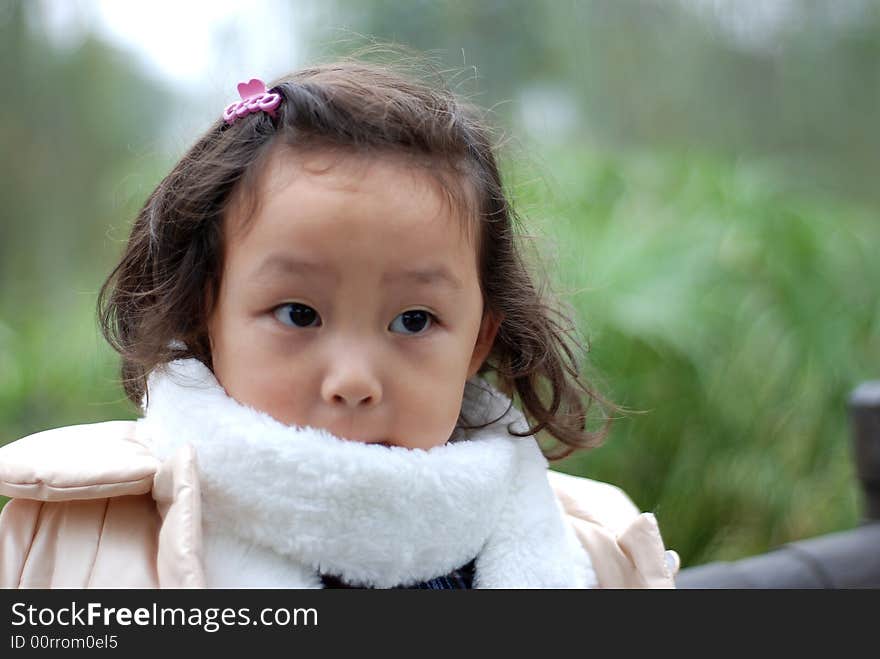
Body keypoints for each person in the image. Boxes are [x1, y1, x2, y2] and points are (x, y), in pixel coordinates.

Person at [0, 60, 678, 589]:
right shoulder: (67, 534)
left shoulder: (598, 556)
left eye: (414, 320)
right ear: (206, 313)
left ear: (478, 342)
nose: (353, 380)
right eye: (299, 314)